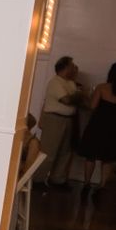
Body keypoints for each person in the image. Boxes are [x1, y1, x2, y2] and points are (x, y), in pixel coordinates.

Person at [79, 61, 116, 193]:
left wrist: (85, 97)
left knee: (91, 156)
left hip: (98, 125)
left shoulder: (102, 87)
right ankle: (102, 185)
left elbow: (92, 106)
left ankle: (86, 183)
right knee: (108, 158)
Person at [33, 56, 82, 190]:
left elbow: (76, 98)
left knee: (65, 152)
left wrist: (77, 96)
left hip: (68, 120)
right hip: (54, 119)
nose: (75, 68)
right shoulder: (55, 82)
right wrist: (79, 96)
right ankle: (38, 180)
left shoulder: (70, 83)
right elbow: (66, 100)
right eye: (72, 66)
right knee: (49, 152)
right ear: (65, 67)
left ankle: (57, 180)